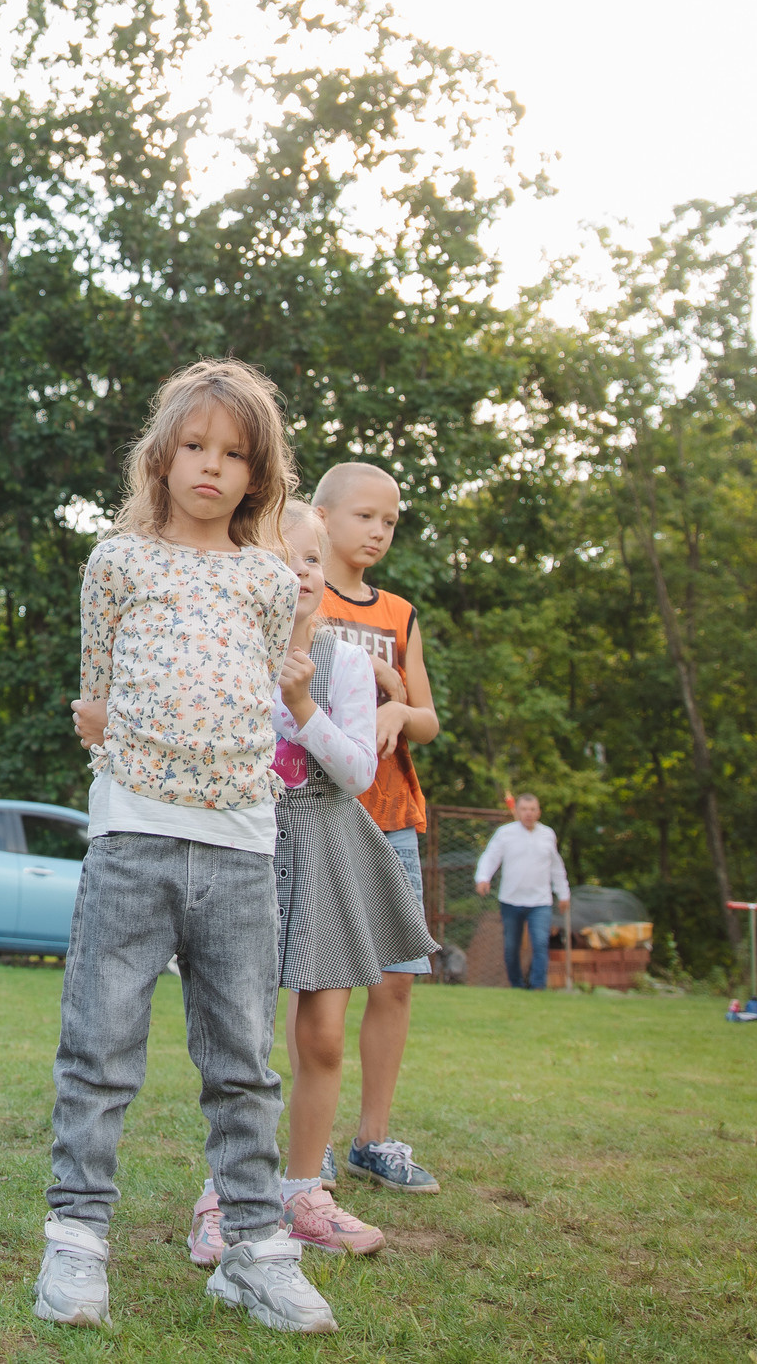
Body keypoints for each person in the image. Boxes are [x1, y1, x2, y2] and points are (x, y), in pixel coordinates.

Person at [39, 359, 336, 1337]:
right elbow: (92, 695)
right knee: (101, 1049)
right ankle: (75, 1247)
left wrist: (295, 646)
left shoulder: (265, 580)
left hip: (242, 848)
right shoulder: (115, 563)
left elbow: (266, 690)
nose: (212, 467)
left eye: (235, 454)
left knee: (243, 1063)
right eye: (196, 448)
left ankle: (254, 1252)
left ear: (258, 475)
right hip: (132, 838)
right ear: (162, 457)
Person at [188, 503, 432, 1264]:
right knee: (242, 1035)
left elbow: (358, 769)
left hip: (326, 849)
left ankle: (302, 1192)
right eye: (284, 558)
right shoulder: (224, 655)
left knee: (322, 1034)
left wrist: (301, 704)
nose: (301, 574)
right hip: (247, 852)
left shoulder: (349, 665)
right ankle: (224, 1195)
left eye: (311, 561)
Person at [309, 460, 445, 1197]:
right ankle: (312, 1144)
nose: (379, 530)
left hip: (393, 819)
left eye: (390, 520)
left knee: (395, 982)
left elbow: (426, 718)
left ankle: (374, 1138)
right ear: (323, 517)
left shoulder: (400, 612)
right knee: (324, 984)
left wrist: (398, 709)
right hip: (323, 819)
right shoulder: (302, 592)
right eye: (366, 516)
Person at [476, 796, 570, 990]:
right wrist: (483, 878)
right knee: (511, 946)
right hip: (511, 900)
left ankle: (537, 986)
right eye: (525, 809)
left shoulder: (547, 834)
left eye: (533, 809)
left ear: (539, 812)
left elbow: (556, 867)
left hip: (540, 902)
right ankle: (517, 984)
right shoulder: (505, 833)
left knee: (540, 943)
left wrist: (563, 894)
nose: (529, 813)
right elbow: (491, 856)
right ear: (517, 811)